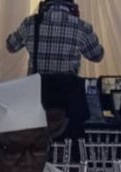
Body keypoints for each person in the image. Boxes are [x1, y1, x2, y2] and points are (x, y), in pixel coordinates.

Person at [7, 0, 104, 140]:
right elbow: (97, 56)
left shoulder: (30, 23)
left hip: (37, 94)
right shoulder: (82, 26)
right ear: (72, 5)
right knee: (70, 140)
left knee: (36, 141)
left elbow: (11, 46)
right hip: (68, 98)